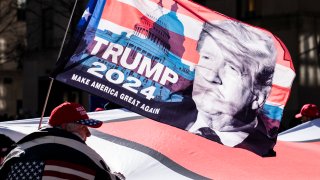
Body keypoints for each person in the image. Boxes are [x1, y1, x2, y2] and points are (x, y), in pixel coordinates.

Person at [187, 20, 277, 156]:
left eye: (232, 68)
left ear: (259, 96)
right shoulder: (164, 116)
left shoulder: (266, 155)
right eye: (207, 58)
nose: (211, 76)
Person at [0, 101, 122, 180]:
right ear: (64, 126)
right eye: (83, 127)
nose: (88, 134)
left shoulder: (16, 152)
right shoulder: (87, 155)